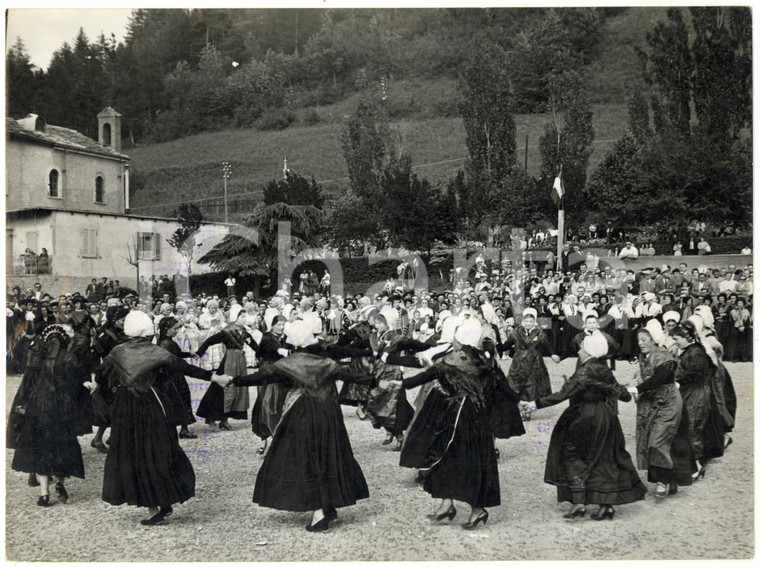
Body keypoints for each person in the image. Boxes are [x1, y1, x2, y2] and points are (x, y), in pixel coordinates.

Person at [230, 320, 378, 532]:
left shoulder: (289, 363)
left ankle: (319, 513)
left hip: (301, 414)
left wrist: (233, 380)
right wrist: (379, 381)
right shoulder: (325, 361)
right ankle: (328, 504)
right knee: (329, 454)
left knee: (306, 458)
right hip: (328, 414)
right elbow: (351, 376)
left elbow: (261, 376)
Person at [99, 311, 232, 525]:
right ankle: (163, 499)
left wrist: (116, 385)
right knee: (159, 450)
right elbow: (184, 367)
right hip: (153, 403)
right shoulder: (155, 351)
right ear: (148, 332)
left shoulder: (118, 352)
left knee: (134, 454)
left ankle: (154, 508)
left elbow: (101, 375)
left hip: (127, 407)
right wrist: (214, 377)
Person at [387, 318, 503, 530]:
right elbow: (500, 384)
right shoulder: (483, 358)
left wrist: (401, 383)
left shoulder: (452, 359)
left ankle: (477, 510)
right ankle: (447, 504)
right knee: (457, 457)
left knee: (453, 456)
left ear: (459, 339)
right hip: (476, 415)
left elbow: (428, 374)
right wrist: (522, 402)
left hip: (458, 414)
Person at [526, 331, 647, 520]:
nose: (580, 350)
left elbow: (562, 394)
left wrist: (534, 404)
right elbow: (623, 396)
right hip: (606, 417)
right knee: (604, 459)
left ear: (589, 351)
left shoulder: (585, 370)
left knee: (573, 456)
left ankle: (579, 502)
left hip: (583, 416)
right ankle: (606, 506)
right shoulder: (604, 369)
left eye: (582, 347)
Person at [9, 325, 93, 507]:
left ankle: (44, 493)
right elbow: (80, 385)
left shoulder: (38, 359)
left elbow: (26, 386)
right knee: (63, 447)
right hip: (62, 411)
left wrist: (20, 407)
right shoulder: (70, 359)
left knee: (40, 449)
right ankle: (61, 483)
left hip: (39, 410)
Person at [626, 321, 695, 498]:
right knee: (655, 441)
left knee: (658, 441)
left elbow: (660, 378)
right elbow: (643, 375)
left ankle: (662, 482)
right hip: (651, 402)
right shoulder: (645, 356)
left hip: (667, 403)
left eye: (644, 339)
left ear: (654, 339)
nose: (640, 343)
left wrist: (637, 389)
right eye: (638, 340)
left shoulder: (664, 356)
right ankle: (669, 481)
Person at [671, 321, 723, 481]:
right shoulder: (689, 351)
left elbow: (697, 373)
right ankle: (692, 464)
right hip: (690, 392)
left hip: (696, 394)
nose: (675, 342)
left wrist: (679, 381)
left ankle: (696, 466)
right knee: (687, 426)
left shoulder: (696, 352)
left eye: (676, 338)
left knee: (692, 426)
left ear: (686, 337)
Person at [196, 304, 257, 430]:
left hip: (240, 362)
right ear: (236, 317)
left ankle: (224, 419)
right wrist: (199, 353)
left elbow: (256, 347)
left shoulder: (244, 332)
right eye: (242, 316)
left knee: (235, 389)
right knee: (220, 388)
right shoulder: (228, 331)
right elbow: (209, 341)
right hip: (228, 362)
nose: (245, 319)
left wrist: (267, 355)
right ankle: (211, 418)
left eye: (246, 316)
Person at [503, 308, 560, 415]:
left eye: (531, 321)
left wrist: (552, 354)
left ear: (534, 322)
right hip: (518, 362)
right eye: (526, 321)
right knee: (515, 384)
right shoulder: (516, 332)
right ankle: (519, 408)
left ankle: (528, 409)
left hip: (534, 363)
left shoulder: (539, 333)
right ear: (523, 321)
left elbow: (546, 345)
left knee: (531, 385)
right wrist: (495, 349)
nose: (528, 324)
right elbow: (507, 344)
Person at [250, 315, 290, 455]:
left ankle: (278, 440)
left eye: (283, 324)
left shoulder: (285, 337)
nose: (282, 327)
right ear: (272, 325)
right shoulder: (267, 337)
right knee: (267, 403)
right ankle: (265, 440)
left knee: (281, 404)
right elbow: (270, 349)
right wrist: (281, 351)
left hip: (281, 372)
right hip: (268, 373)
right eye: (279, 324)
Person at [156, 317, 199, 439]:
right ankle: (183, 429)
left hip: (173, 375)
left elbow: (177, 354)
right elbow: (170, 361)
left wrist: (189, 354)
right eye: (174, 329)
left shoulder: (166, 341)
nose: (177, 331)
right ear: (166, 329)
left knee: (177, 400)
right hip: (173, 376)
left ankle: (181, 428)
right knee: (181, 399)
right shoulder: (166, 343)